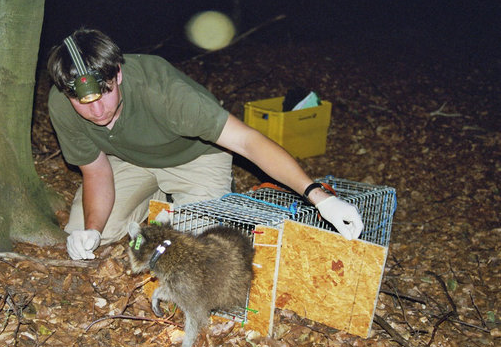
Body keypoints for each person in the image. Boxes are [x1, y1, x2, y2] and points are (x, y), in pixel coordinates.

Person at [47, 28, 363, 260]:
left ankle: (184, 201)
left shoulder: (167, 95)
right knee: (85, 236)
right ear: (66, 92)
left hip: (193, 157)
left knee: (186, 250)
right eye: (83, 102)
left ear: (117, 74)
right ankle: (157, 194)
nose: (97, 111)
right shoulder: (61, 105)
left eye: (104, 94)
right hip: (130, 158)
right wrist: (92, 228)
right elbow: (97, 172)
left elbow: (249, 142)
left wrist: (319, 197)